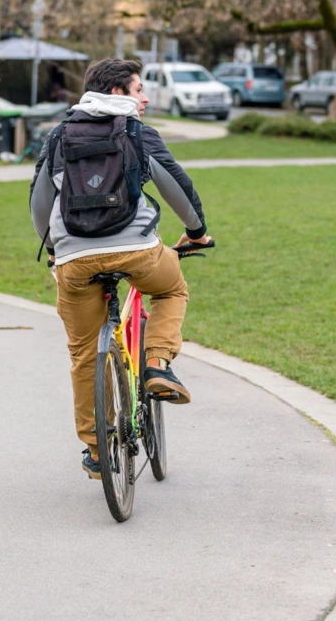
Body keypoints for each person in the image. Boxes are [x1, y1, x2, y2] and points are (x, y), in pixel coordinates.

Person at [29, 58, 211, 479]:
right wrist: (197, 232)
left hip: (74, 257)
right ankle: (157, 364)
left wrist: (56, 251)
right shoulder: (136, 132)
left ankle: (97, 450)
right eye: (138, 89)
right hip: (137, 251)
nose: (145, 98)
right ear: (116, 94)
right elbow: (175, 185)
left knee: (82, 352)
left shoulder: (59, 136)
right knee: (171, 290)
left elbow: (40, 203)